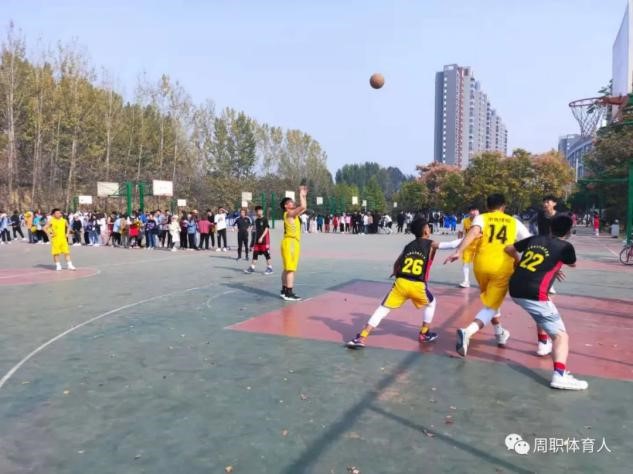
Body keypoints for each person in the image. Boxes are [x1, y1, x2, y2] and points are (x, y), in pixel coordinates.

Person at [346, 218, 463, 348]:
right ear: (425, 231)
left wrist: (395, 272)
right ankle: (424, 333)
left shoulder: (408, 246)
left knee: (383, 309)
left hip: (401, 283)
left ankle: (361, 337)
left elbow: (398, 262)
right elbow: (452, 245)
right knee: (431, 303)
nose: (429, 228)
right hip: (417, 285)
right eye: (428, 227)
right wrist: (470, 237)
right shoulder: (431, 244)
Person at [504, 215, 587, 390]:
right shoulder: (566, 247)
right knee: (561, 336)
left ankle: (543, 344)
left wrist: (519, 262)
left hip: (515, 288)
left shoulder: (535, 238)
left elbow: (509, 248)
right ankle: (559, 376)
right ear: (569, 231)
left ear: (550, 228)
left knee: (543, 316)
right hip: (534, 293)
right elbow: (572, 264)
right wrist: (553, 263)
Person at [445, 193, 531, 357]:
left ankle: (499, 333)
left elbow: (472, 234)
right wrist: (521, 259)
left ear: (487, 206)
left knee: (491, 301)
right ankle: (468, 332)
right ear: (503, 206)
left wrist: (459, 251)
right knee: (491, 305)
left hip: (481, 266)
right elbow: (529, 241)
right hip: (501, 267)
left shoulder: (481, 218)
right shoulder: (513, 222)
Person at [280, 185, 307, 301]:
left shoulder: (293, 215)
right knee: (290, 269)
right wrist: (300, 194)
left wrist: (304, 196)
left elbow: (304, 208)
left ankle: (284, 290)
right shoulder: (289, 214)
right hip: (290, 242)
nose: (293, 203)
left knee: (287, 269)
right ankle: (289, 293)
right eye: (290, 202)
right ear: (286, 206)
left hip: (289, 242)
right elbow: (303, 206)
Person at [244, 206, 273, 275]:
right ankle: (252, 267)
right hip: (257, 241)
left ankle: (270, 268)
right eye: (257, 211)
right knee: (255, 253)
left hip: (264, 240)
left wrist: (262, 237)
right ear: (256, 212)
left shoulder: (265, 219)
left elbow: (266, 229)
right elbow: (256, 230)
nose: (259, 212)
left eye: (260, 210)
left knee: (266, 254)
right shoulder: (256, 220)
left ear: (262, 211)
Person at [458, 205, 479, 288]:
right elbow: (460, 232)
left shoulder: (482, 221)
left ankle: (483, 281)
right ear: (469, 212)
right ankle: (466, 281)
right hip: (468, 245)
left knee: (479, 264)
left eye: (475, 210)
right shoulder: (464, 221)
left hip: (479, 245)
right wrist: (459, 243)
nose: (473, 212)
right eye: (472, 210)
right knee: (465, 263)